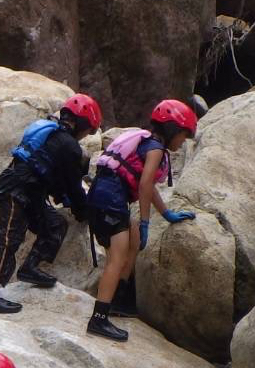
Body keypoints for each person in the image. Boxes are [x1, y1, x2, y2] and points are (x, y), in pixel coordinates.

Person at [84, 99, 198, 342]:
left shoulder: (148, 143)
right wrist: (146, 220)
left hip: (102, 194)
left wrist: (166, 213)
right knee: (117, 256)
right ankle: (99, 318)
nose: (182, 142)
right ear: (172, 130)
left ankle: (117, 299)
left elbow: (148, 186)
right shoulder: (155, 149)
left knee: (133, 239)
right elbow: (146, 184)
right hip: (111, 198)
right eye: (183, 136)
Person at [0, 93, 103, 314]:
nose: (86, 136)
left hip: (31, 192)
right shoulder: (68, 145)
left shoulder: (55, 135)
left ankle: (29, 267)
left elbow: (55, 178)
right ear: (82, 124)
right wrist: (83, 210)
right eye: (88, 130)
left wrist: (68, 200)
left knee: (54, 224)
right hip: (15, 190)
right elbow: (72, 186)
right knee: (9, 238)